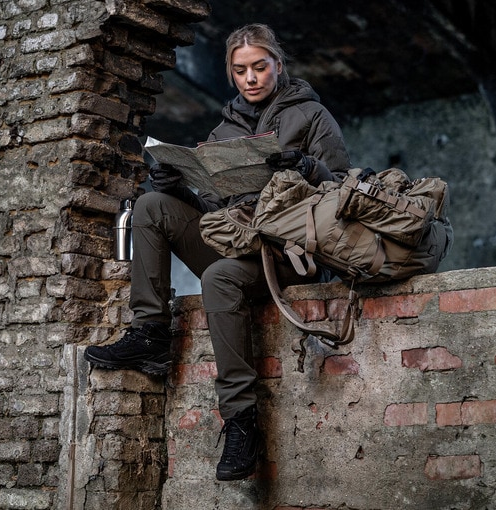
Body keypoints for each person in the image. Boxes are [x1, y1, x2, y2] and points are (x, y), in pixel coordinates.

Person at [84, 23, 351, 481]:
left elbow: (344, 193)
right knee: (151, 204)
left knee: (219, 277)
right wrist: (182, 187)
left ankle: (241, 422)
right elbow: (215, 207)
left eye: (259, 67)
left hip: (290, 256)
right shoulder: (223, 128)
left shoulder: (311, 116)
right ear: (230, 73)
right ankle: (150, 333)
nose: (251, 78)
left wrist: (309, 166)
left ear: (278, 66)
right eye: (240, 70)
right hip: (237, 243)